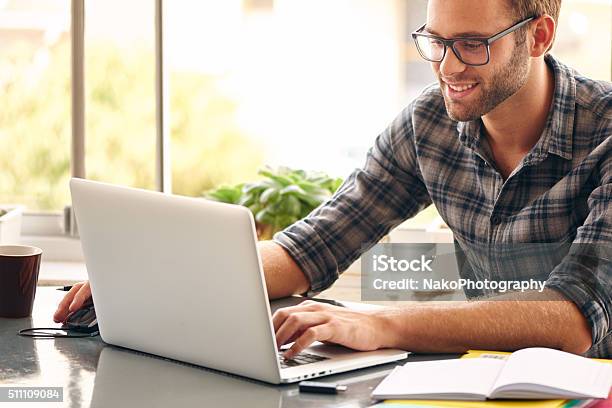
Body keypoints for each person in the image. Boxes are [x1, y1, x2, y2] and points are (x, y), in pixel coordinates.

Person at [55, 0, 611, 359]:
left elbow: (573, 318)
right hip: (485, 384)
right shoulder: (429, 125)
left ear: (539, 36)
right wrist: (154, 279)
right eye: (435, 42)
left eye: (472, 45)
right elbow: (316, 245)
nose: (446, 67)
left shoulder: (605, 131)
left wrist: (379, 322)